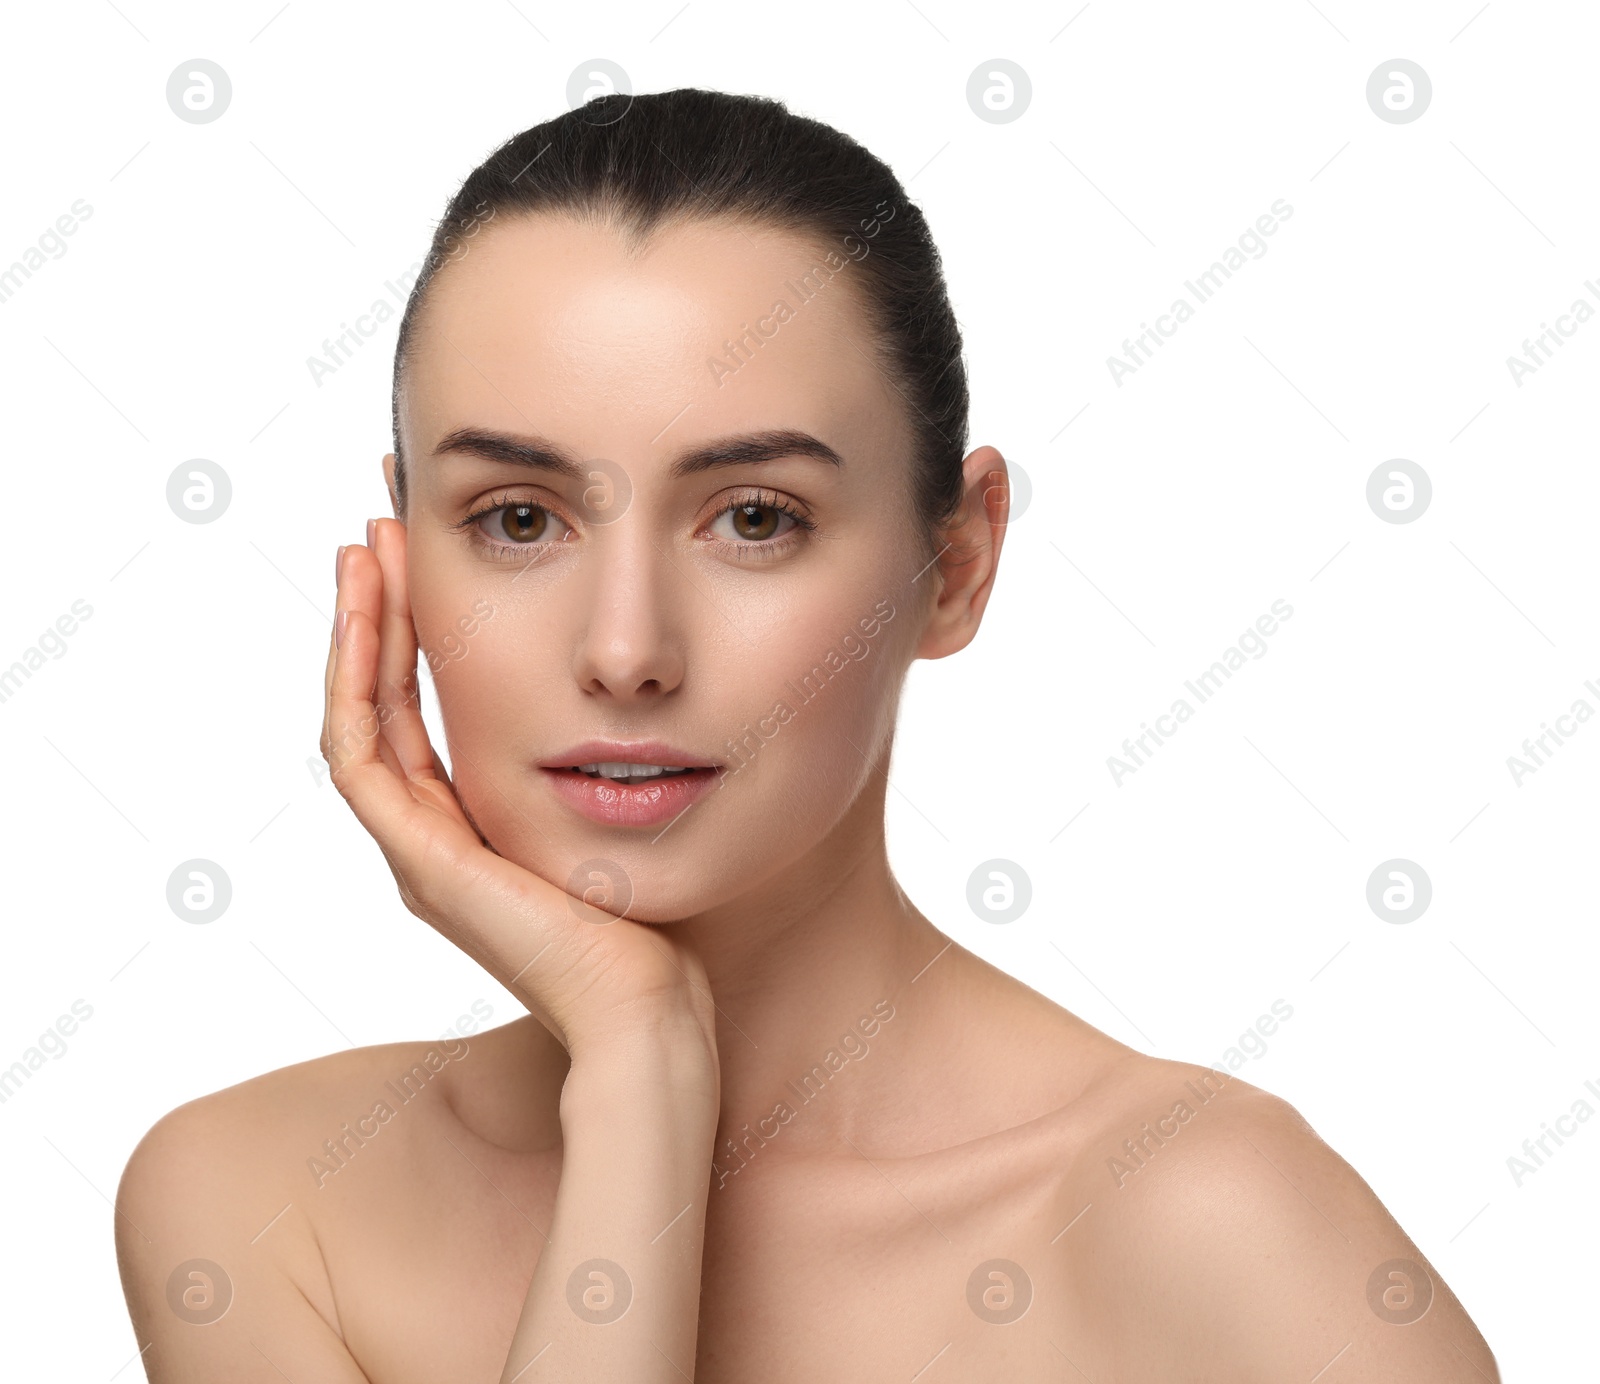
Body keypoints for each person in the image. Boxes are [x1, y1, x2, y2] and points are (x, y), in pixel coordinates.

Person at [115, 88, 1498, 1382]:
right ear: (403, 559)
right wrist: (641, 1065)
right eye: (519, 519)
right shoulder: (256, 1201)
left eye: (755, 519)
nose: (625, 652)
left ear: (952, 563)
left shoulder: (1218, 1236)